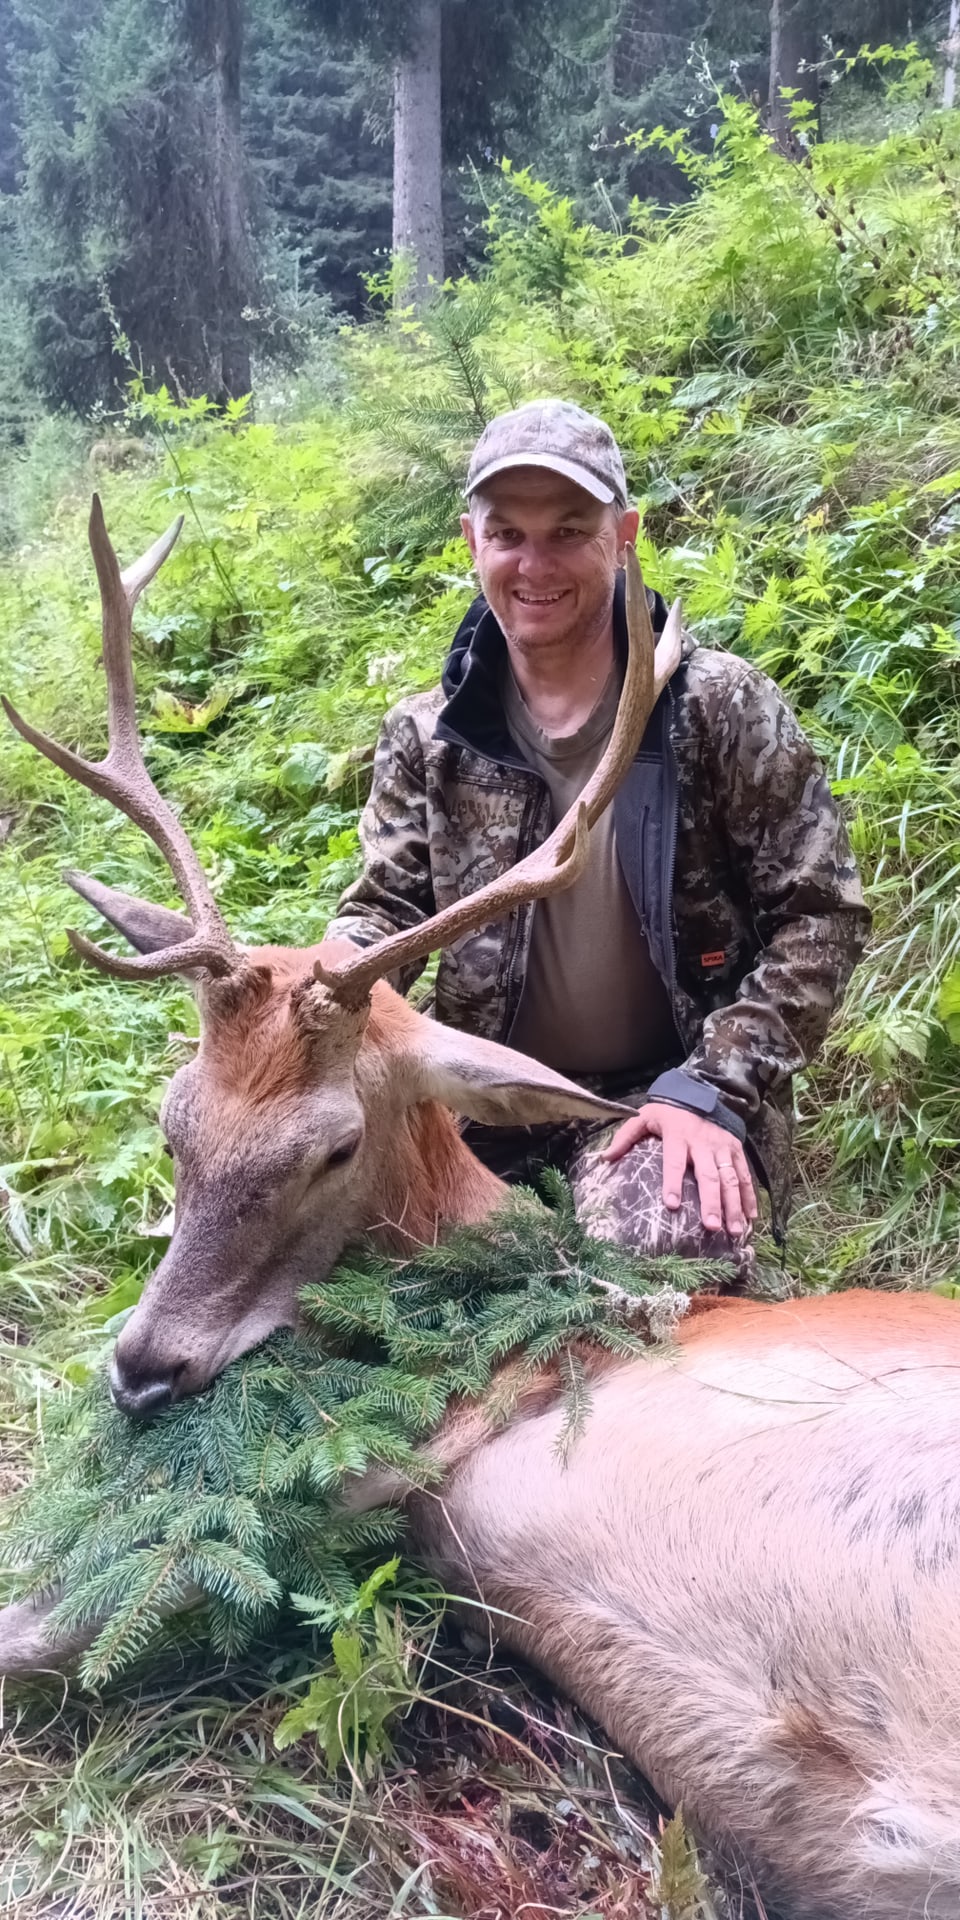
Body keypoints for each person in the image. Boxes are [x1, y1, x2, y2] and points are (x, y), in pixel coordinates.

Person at [326, 399, 870, 1282]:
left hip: (659, 1096)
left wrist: (715, 1084)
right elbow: (386, 909)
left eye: (567, 531)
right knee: (338, 1275)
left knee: (662, 1260)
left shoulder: (715, 707)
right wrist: (317, 989)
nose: (532, 564)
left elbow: (820, 917)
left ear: (624, 534)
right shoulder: (426, 736)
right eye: (507, 534)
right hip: (478, 1099)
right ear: (473, 543)